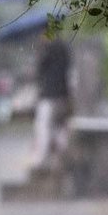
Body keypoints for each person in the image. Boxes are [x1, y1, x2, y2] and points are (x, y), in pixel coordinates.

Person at [31, 36, 73, 170]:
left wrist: (41, 48)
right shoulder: (64, 47)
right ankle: (61, 158)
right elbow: (68, 69)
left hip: (49, 96)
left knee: (43, 126)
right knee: (60, 127)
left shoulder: (46, 48)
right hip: (63, 95)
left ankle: (42, 160)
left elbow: (39, 69)